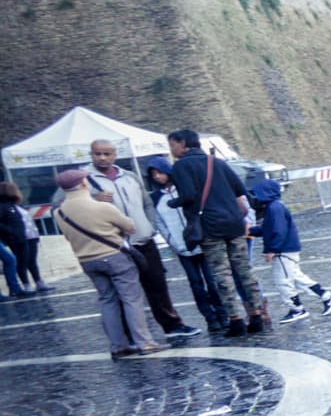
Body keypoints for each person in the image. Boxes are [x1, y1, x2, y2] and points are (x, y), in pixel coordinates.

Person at [86, 139, 196, 338]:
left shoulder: (129, 176)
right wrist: (92, 201)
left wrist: (149, 226)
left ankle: (172, 325)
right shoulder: (83, 180)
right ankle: (127, 334)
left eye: (107, 153)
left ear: (115, 155)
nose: (102, 158)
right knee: (121, 291)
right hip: (114, 245)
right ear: (91, 154)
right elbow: (63, 208)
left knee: (157, 284)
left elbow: (147, 204)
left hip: (143, 241)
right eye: (98, 153)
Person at [50, 167, 162, 358]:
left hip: (87, 261)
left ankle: (118, 345)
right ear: (84, 183)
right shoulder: (101, 207)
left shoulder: (59, 213)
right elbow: (130, 226)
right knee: (131, 299)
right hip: (115, 256)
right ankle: (145, 342)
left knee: (107, 300)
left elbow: (69, 237)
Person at [168, 129, 267, 336]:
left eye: (172, 145)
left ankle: (236, 320)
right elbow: (240, 189)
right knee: (244, 269)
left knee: (222, 273)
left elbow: (187, 196)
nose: (172, 150)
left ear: (183, 144)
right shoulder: (218, 163)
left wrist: (172, 202)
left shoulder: (180, 166)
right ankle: (257, 314)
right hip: (234, 224)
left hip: (210, 227)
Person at [145, 161, 223, 329]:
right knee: (195, 284)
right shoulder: (156, 198)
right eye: (153, 174)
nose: (158, 176)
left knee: (212, 281)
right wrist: (172, 242)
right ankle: (209, 318)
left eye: (160, 172)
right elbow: (160, 223)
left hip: (201, 243)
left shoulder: (184, 189)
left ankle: (222, 313)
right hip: (181, 247)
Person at [245, 179, 331, 323]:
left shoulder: (274, 208)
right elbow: (270, 229)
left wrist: (272, 250)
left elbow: (278, 231)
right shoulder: (275, 206)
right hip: (287, 249)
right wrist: (251, 231)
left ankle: (297, 309)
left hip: (283, 251)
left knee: (283, 281)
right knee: (296, 277)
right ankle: (326, 296)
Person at [0, 181, 45, 297]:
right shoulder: (4, 206)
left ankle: (39, 282)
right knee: (21, 262)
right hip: (17, 239)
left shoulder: (16, 205)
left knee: (31, 261)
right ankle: (25, 285)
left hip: (30, 236)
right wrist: (12, 232)